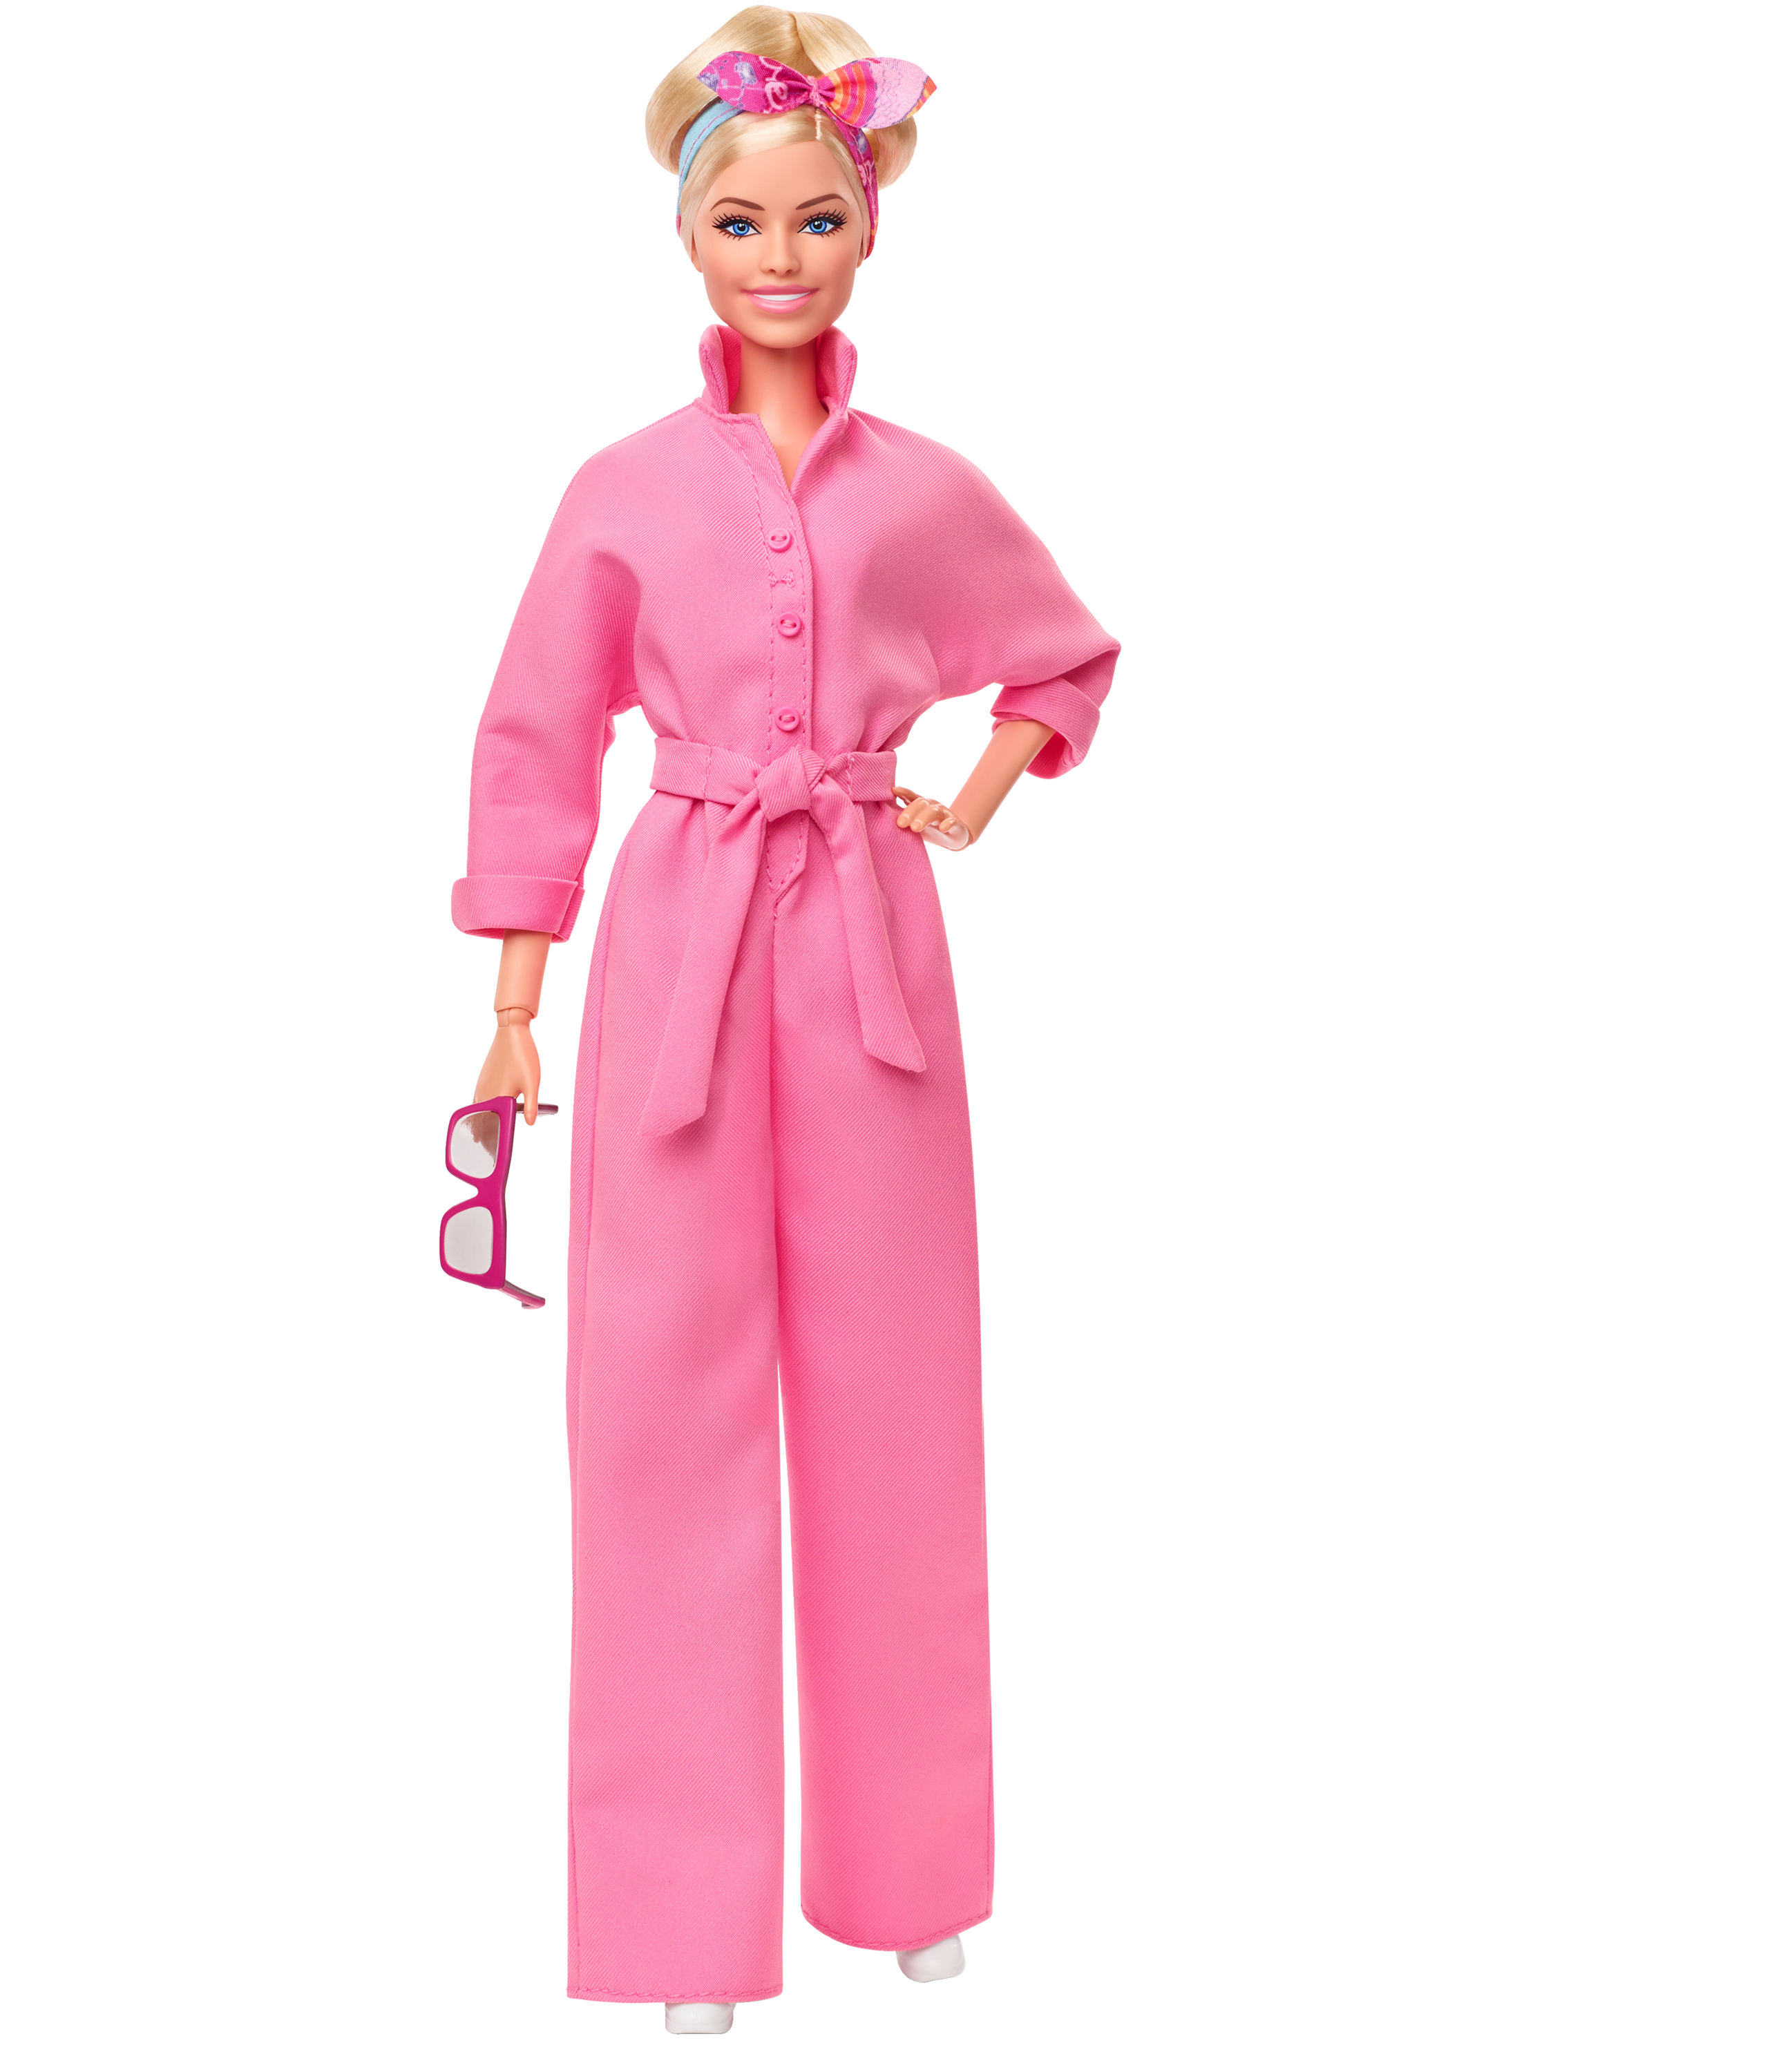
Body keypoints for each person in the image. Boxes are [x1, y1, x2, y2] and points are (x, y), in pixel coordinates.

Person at [455, 8, 1120, 2033]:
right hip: (678, 940)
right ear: (684, 233)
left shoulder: (924, 492)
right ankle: (680, 1928)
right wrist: (512, 1003)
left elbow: (1063, 656)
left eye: (816, 216)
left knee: (898, 1409)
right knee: (657, 1424)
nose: (779, 255)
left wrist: (970, 798)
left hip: (869, 956)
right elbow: (537, 738)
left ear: (869, 226)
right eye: (740, 220)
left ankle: (910, 1872)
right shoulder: (619, 491)